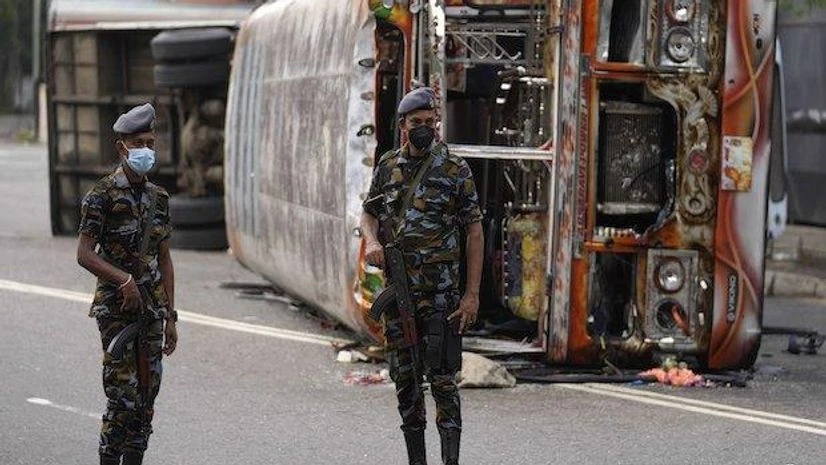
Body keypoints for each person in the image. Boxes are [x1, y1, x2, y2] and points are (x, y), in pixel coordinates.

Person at [361, 87, 484, 465]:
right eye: (418, 123)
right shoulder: (388, 166)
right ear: (402, 126)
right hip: (400, 296)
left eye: (431, 123)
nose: (425, 130)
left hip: (443, 295)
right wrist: (370, 242)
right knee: (406, 386)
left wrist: (471, 295)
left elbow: (474, 232)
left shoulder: (454, 170)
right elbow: (368, 213)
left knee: (444, 384)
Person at [76, 103, 178, 465]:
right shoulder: (101, 195)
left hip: (151, 307)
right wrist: (123, 280)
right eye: (139, 143)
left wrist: (170, 316)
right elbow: (85, 254)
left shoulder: (159, 199)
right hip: (117, 310)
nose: (146, 150)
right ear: (122, 147)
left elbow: (164, 260)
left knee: (147, 397)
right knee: (123, 399)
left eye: (150, 142)